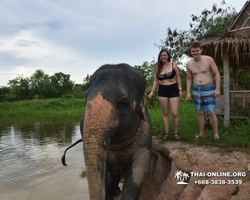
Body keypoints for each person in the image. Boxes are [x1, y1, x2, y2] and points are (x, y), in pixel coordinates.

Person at [186, 42, 221, 140]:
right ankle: (201, 134)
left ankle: (216, 134)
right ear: (191, 52)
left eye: (197, 51)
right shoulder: (189, 64)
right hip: (196, 89)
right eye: (193, 51)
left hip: (208, 88)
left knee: (211, 112)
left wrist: (218, 88)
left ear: (201, 50)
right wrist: (188, 92)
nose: (195, 53)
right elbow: (189, 78)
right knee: (200, 112)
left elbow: (217, 73)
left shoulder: (208, 59)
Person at [148, 49, 183, 139]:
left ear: (168, 56)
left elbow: (178, 78)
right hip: (162, 90)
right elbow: (156, 80)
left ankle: (176, 133)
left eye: (165, 55)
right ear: (160, 57)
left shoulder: (174, 65)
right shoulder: (157, 68)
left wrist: (180, 89)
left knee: (174, 113)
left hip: (173, 89)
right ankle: (166, 133)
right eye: (161, 56)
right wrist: (152, 91)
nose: (163, 57)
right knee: (165, 113)